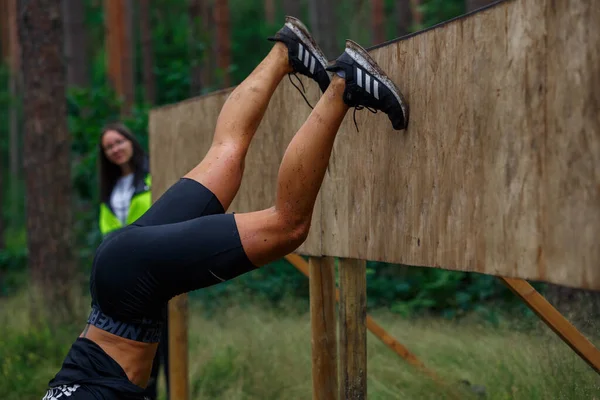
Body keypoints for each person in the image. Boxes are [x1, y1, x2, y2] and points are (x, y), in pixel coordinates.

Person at [42, 16, 408, 400]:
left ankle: (345, 85)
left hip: (133, 287)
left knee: (288, 226)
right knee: (224, 157)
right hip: (118, 274)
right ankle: (285, 51)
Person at [97, 123, 169, 399]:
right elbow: (108, 232)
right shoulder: (110, 188)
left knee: (161, 345)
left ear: (130, 141)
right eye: (108, 147)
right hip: (125, 279)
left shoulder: (154, 175)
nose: (115, 149)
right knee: (132, 345)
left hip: (156, 273)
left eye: (119, 142)